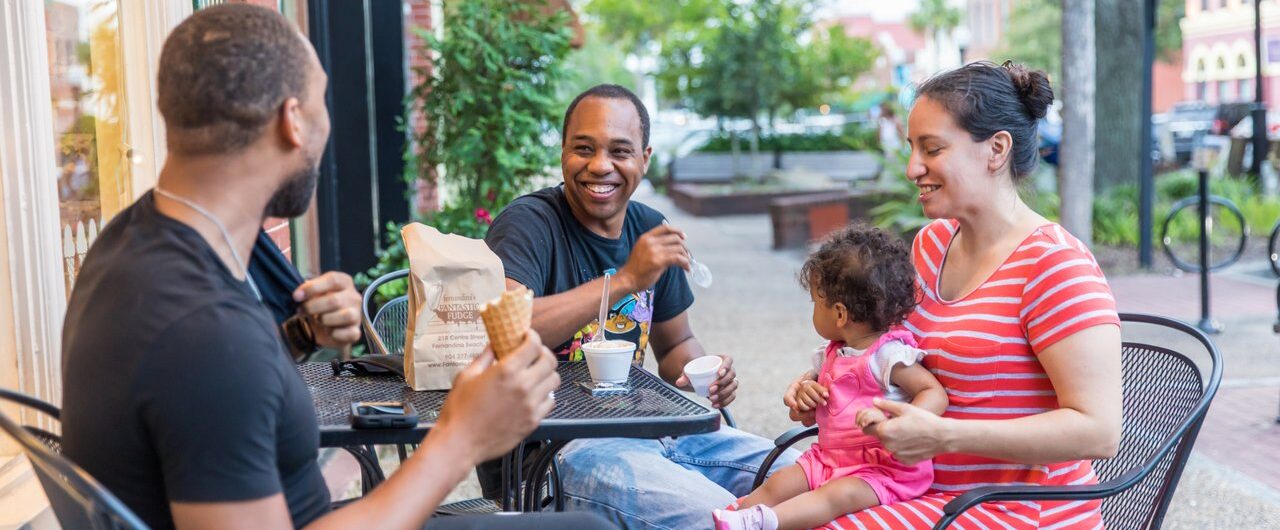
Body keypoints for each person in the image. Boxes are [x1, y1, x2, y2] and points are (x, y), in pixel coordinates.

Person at [59, 6, 613, 530]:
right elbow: (210, 359)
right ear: (292, 120)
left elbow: (206, 396)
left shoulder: (132, 241)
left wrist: (299, 337)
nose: (328, 127)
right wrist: (460, 437)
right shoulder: (203, 332)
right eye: (324, 102)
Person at [818, 61, 1122, 529]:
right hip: (921, 490)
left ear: (996, 149)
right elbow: (888, 356)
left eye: (932, 148)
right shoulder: (931, 245)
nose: (912, 168)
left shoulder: (1055, 265)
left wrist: (943, 436)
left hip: (1019, 508)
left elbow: (1098, 431)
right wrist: (828, 390)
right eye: (912, 149)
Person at [484, 84, 798, 529]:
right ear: (562, 153)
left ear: (645, 159)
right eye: (584, 149)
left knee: (813, 478)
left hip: (656, 430)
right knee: (727, 518)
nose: (600, 165)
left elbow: (676, 346)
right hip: (552, 455)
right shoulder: (528, 225)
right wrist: (626, 279)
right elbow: (508, 334)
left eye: (620, 150)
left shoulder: (650, 229)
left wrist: (704, 370)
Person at [713, 225, 948, 530]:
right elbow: (819, 405)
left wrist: (897, 419)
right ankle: (738, 513)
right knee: (782, 481)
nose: (812, 310)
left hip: (880, 470)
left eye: (815, 302)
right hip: (829, 458)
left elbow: (934, 392)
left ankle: (764, 522)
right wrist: (808, 393)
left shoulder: (888, 355)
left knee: (834, 497)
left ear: (839, 314)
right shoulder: (832, 353)